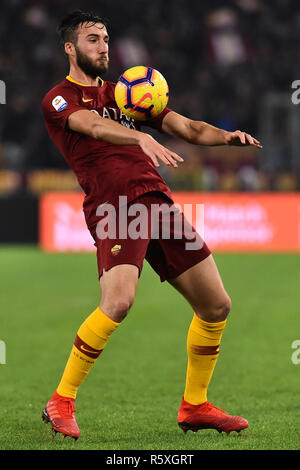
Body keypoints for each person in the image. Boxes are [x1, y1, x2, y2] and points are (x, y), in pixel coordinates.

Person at [41, 10, 262, 440]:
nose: (103, 45)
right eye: (92, 39)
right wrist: (140, 136)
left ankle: (195, 406)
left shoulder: (128, 93)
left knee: (217, 306)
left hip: (157, 202)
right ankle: (61, 400)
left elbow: (188, 127)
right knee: (118, 303)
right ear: (70, 47)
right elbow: (93, 127)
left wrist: (226, 136)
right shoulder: (59, 98)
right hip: (117, 205)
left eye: (105, 38)